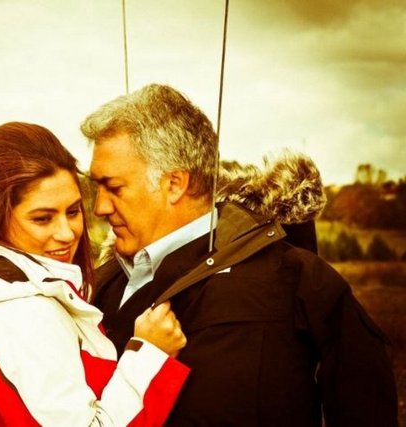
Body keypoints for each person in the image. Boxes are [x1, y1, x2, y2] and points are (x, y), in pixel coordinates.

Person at [81, 83, 399, 426]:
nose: (99, 207)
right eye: (97, 188)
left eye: (114, 188)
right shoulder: (93, 284)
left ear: (174, 184)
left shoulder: (299, 280)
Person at [0, 121, 190, 427]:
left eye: (72, 211)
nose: (67, 233)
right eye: (42, 218)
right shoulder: (18, 313)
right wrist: (150, 354)